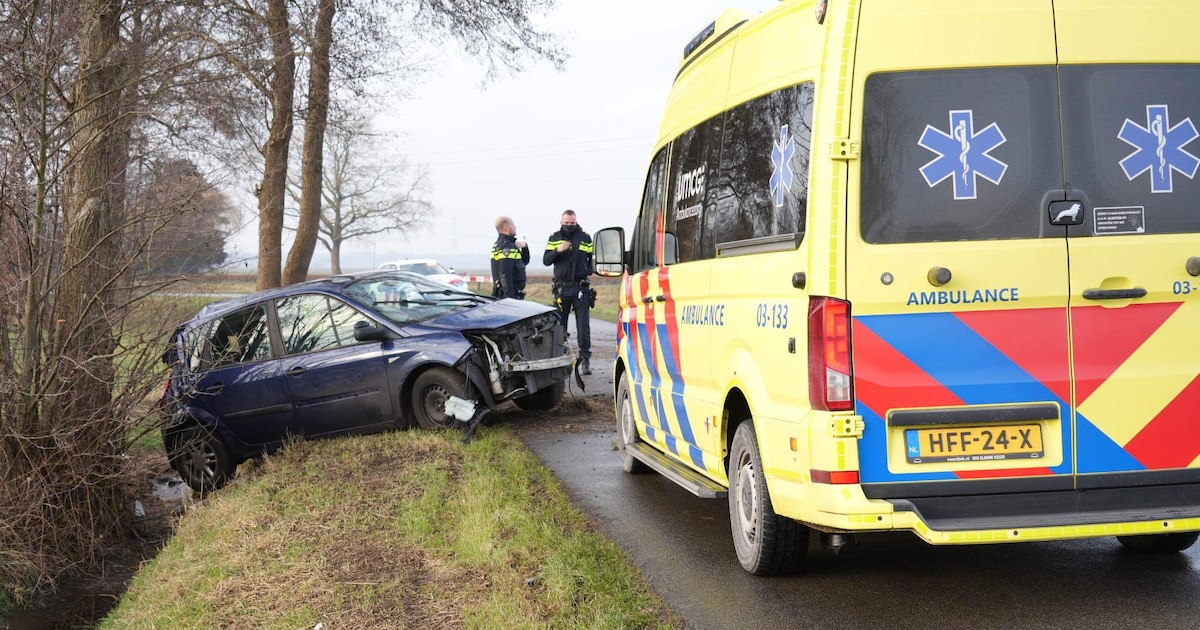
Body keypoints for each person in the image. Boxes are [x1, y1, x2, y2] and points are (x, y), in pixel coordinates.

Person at [543, 209, 595, 374]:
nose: (569, 226)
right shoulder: (554, 237)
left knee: (583, 326)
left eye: (572, 223)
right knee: (560, 327)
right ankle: (560, 361)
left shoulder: (585, 237)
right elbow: (546, 261)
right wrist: (558, 250)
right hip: (561, 289)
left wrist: (587, 269)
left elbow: (593, 260)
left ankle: (585, 360)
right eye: (566, 223)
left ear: (576, 222)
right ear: (561, 222)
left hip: (580, 288)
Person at [490, 216, 529, 299]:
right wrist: (509, 298)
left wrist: (525, 248)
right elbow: (505, 273)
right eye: (513, 225)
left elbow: (523, 262)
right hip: (509, 295)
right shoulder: (506, 246)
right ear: (506, 228)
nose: (515, 227)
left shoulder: (507, 244)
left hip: (513, 293)